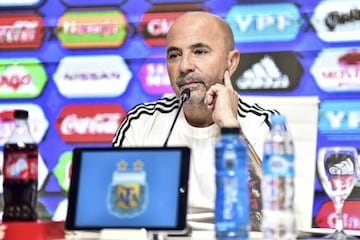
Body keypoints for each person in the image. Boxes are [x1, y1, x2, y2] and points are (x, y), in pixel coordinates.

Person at [112, 11, 277, 231]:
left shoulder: (262, 124)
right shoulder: (140, 123)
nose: (184, 66)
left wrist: (230, 127)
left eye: (199, 51)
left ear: (231, 62)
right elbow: (116, 217)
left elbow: (268, 221)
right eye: (174, 55)